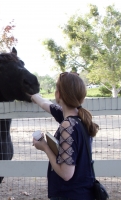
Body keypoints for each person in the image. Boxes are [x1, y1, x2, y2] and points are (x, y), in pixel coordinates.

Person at [30, 72, 99, 200]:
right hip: (83, 193)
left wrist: (45, 147)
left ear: (58, 94)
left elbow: (66, 173)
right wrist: (34, 95)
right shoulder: (79, 118)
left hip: (70, 194)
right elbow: (45, 104)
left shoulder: (68, 125)